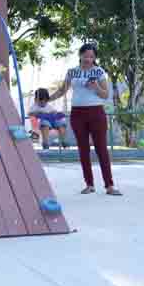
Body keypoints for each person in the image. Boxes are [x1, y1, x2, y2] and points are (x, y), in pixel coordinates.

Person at [48, 44, 121, 196]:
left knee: (101, 149)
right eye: (86, 56)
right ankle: (89, 184)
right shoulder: (72, 72)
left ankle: (109, 185)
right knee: (83, 150)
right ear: (80, 55)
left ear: (95, 58)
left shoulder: (99, 71)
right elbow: (63, 90)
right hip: (77, 114)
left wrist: (95, 87)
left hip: (96, 113)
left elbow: (105, 95)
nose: (88, 59)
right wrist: (48, 98)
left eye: (92, 57)